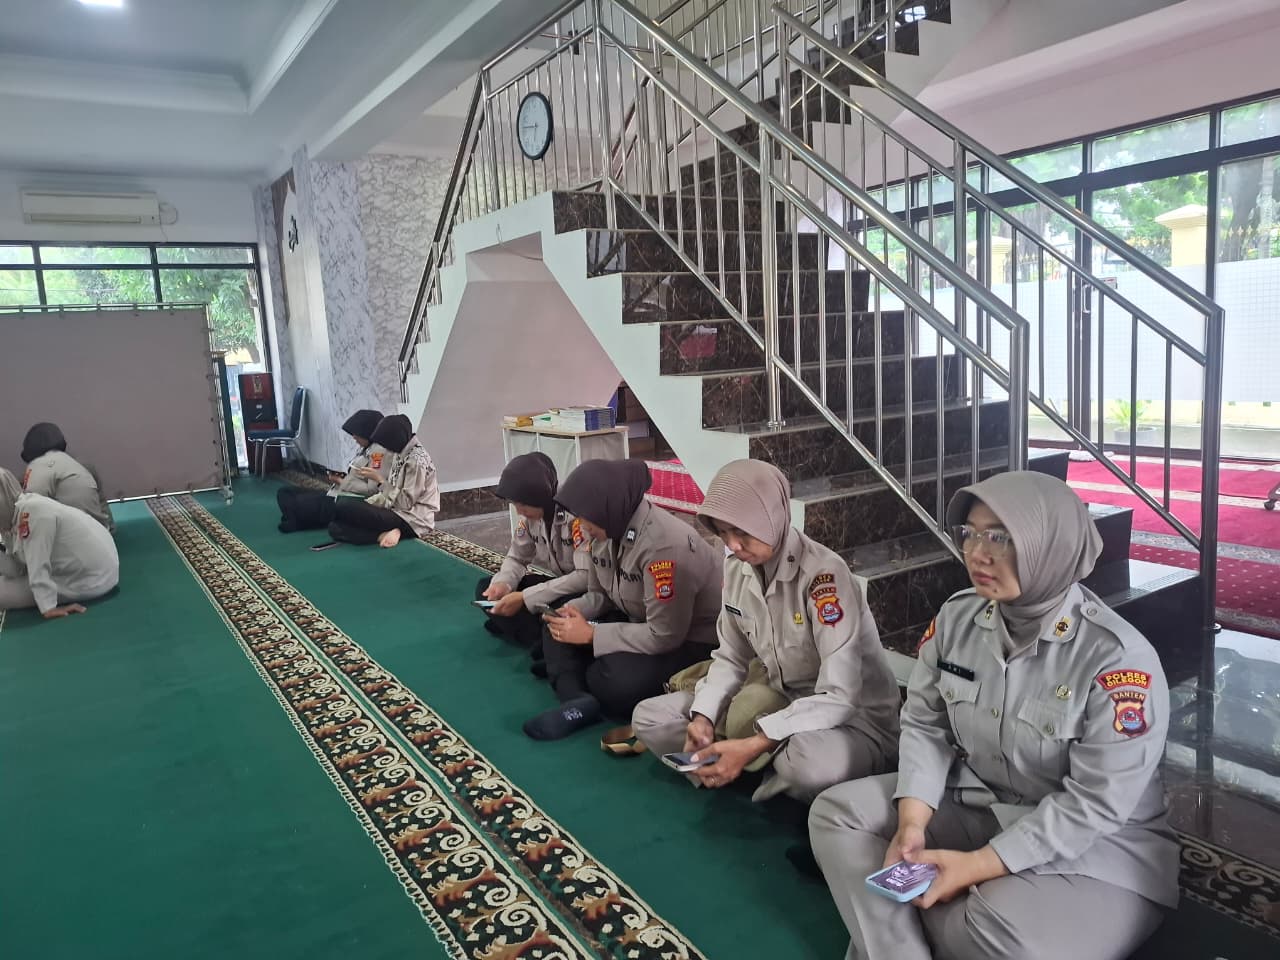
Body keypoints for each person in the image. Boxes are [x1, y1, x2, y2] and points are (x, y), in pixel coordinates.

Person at [809, 472, 1177, 960]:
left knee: (1002, 934)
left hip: (1097, 848)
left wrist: (978, 866)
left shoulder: (1117, 660)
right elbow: (925, 724)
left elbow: (1094, 806)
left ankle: (891, 916)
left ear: (1051, 547)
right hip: (982, 803)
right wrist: (913, 820)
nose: (977, 554)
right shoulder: (958, 617)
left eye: (1001, 538)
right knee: (835, 814)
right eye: (971, 533)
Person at [632, 459, 900, 803]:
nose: (733, 544)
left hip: (852, 720)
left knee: (804, 765)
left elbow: (840, 697)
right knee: (651, 717)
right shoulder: (738, 570)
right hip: (780, 700)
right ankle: (733, 765)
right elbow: (730, 658)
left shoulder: (824, 578)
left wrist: (757, 741)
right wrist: (703, 717)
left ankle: (748, 766)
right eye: (723, 532)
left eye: (742, 532)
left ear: (772, 517)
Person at [523, 459, 722, 741]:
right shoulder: (605, 527)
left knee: (616, 682)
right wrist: (572, 612)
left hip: (690, 641)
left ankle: (572, 672)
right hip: (637, 621)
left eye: (586, 517)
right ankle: (577, 699)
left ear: (608, 507)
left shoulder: (664, 547)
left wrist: (591, 635)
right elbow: (600, 595)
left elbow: (664, 636)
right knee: (556, 624)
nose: (582, 526)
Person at [476, 452, 588, 654]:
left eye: (522, 504)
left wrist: (525, 598)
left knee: (560, 609)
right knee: (485, 588)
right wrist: (504, 584)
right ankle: (546, 639)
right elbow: (517, 558)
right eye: (515, 504)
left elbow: (584, 578)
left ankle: (537, 637)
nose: (519, 511)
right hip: (557, 585)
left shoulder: (576, 515)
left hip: (584, 592)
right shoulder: (531, 518)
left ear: (540, 495)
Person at [0, 468, 119, 617]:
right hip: (88, 572)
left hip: (90, 579)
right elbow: (17, 570)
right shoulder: (14, 515)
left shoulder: (33, 512)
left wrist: (48, 607)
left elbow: (38, 565)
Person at [327, 414, 438, 547]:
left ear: (395, 438)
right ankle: (384, 534)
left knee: (344, 506)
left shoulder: (416, 461)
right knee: (335, 527)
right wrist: (370, 503)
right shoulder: (401, 451)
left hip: (413, 518)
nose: (386, 449)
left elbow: (405, 503)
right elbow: (392, 494)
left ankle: (398, 532)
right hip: (394, 510)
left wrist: (379, 480)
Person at [276, 409, 388, 532]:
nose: (354, 437)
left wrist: (341, 481)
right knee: (287, 492)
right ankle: (298, 518)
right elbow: (358, 476)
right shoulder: (368, 449)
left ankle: (298, 520)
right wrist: (342, 478)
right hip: (341, 493)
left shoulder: (378, 453)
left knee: (290, 498)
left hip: (351, 502)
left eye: (357, 433)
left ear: (368, 432)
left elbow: (372, 490)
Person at [20, 422, 114, 533]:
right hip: (100, 532)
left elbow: (31, 518)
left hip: (73, 534)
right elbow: (102, 505)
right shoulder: (83, 467)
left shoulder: (35, 475)